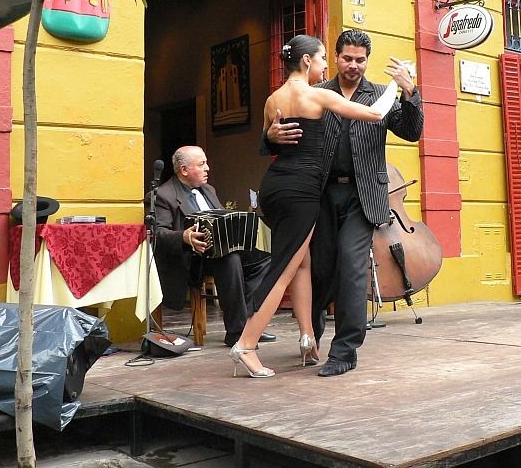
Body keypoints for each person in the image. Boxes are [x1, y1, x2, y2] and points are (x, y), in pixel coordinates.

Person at [230, 34, 398, 378]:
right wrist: (396, 85)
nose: (325, 66)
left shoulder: (272, 98)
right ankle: (246, 343)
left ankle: (308, 336)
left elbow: (268, 139)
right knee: (285, 268)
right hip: (304, 190)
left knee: (303, 263)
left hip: (275, 186)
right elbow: (375, 112)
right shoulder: (319, 93)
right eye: (323, 59)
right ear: (307, 61)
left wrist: (269, 137)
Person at [265, 29, 423, 377]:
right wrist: (269, 138)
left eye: (360, 60)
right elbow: (284, 141)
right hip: (318, 194)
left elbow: (411, 132)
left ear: (367, 61)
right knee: (320, 269)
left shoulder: (382, 93)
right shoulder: (316, 91)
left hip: (362, 195)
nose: (353, 65)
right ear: (335, 58)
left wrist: (410, 90)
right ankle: (312, 336)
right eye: (347, 58)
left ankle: (345, 351)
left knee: (352, 269)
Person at [153, 145, 276, 347]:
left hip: (218, 253)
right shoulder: (163, 195)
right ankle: (236, 332)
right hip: (190, 261)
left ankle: (249, 324)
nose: (208, 168)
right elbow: (159, 234)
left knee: (265, 257)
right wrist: (184, 237)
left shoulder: (209, 190)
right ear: (184, 170)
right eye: (202, 164)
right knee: (230, 258)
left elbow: (221, 220)